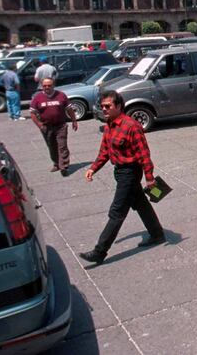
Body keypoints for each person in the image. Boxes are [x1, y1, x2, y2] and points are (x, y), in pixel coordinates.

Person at [79, 90, 165, 265]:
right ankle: (157, 234)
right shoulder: (110, 124)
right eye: (102, 106)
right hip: (119, 172)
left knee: (117, 212)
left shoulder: (132, 126)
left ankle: (99, 251)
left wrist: (149, 178)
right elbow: (104, 151)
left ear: (118, 106)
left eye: (108, 106)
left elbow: (144, 154)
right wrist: (93, 168)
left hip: (131, 173)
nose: (104, 109)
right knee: (141, 204)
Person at [30, 78, 77, 176]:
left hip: (61, 126)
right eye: (45, 86)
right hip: (46, 127)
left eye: (49, 85)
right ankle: (56, 164)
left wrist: (74, 121)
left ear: (53, 85)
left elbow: (70, 109)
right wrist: (39, 125)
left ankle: (64, 166)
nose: (47, 87)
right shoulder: (38, 98)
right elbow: (32, 113)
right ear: (42, 86)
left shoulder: (61, 95)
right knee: (52, 147)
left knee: (62, 146)